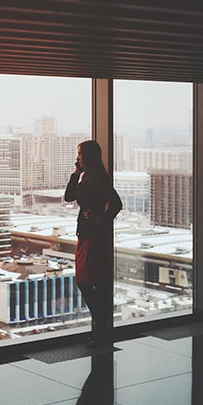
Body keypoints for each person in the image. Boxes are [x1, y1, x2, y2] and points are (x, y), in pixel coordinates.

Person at [64, 140, 123, 345]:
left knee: (87, 280)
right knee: (87, 279)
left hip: (94, 235)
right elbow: (68, 196)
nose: (77, 157)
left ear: (87, 156)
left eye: (79, 154)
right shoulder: (86, 176)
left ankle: (101, 327)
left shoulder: (100, 178)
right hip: (85, 233)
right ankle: (102, 327)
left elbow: (116, 203)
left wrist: (100, 220)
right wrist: (75, 172)